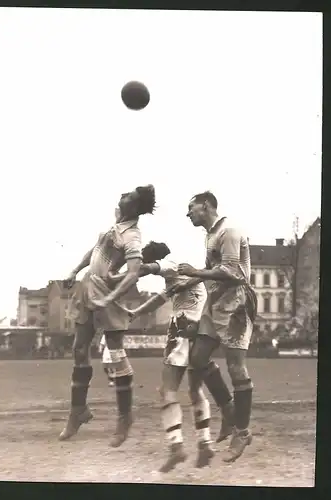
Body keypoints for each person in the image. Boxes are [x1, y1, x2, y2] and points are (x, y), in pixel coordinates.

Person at [59, 184, 156, 447]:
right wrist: (74, 270)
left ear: (134, 206)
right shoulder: (114, 226)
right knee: (79, 349)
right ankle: (78, 411)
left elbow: (134, 272)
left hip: (105, 292)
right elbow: (94, 251)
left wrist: (112, 297)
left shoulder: (133, 236)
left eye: (130, 196)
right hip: (87, 287)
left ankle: (125, 417)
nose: (124, 195)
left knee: (115, 355)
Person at [111, 241, 215, 472]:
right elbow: (160, 298)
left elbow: (151, 269)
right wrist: (135, 312)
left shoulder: (169, 266)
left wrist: (128, 272)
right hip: (201, 331)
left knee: (167, 390)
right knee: (195, 389)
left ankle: (176, 446)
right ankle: (205, 442)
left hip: (182, 329)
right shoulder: (180, 272)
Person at [173, 190, 257, 463]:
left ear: (206, 205)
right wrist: (189, 282)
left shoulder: (229, 231)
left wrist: (194, 272)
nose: (188, 213)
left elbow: (233, 273)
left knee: (236, 367)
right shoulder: (210, 235)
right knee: (197, 360)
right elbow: (216, 271)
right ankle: (229, 411)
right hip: (216, 303)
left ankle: (242, 432)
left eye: (191, 207)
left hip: (237, 304)